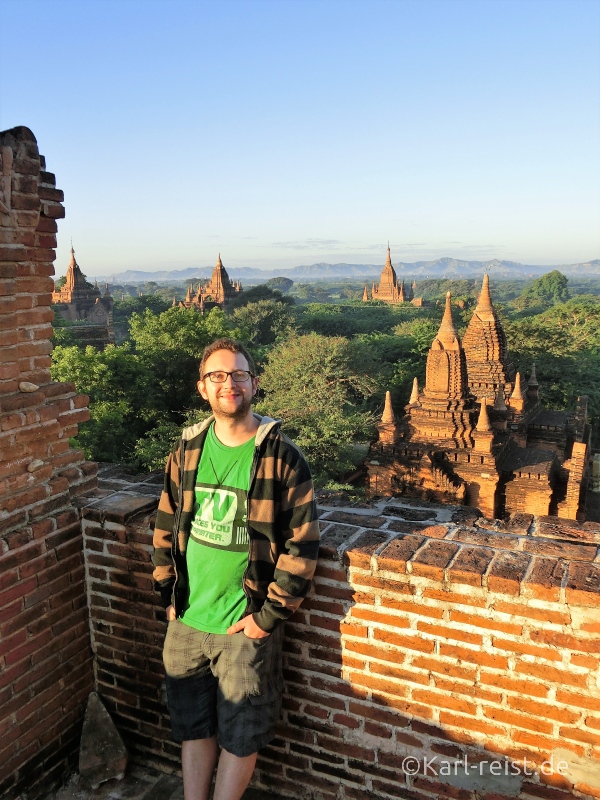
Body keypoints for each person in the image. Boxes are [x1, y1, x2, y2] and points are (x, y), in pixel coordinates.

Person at [153, 337, 320, 800]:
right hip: (186, 619)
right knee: (193, 727)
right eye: (218, 376)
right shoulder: (185, 452)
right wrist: (168, 597)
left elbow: (302, 545)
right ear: (202, 388)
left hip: (243, 623)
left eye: (239, 375)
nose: (230, 384)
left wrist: (267, 619)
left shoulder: (281, 457)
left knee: (241, 734)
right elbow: (165, 526)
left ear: (254, 384)